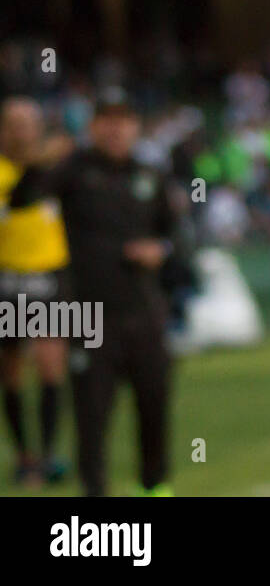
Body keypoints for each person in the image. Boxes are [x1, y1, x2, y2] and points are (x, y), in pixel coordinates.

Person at [33, 88, 193, 496]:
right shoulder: (72, 170)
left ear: (135, 127)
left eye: (123, 120)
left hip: (144, 310)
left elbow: (177, 236)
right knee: (91, 415)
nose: (115, 128)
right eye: (107, 119)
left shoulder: (149, 176)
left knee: (154, 406)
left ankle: (155, 487)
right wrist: (42, 158)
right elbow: (24, 199)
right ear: (93, 126)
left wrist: (162, 250)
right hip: (87, 313)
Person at [0, 97, 72, 487]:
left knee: (50, 363)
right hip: (7, 280)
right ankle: (24, 455)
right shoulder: (8, 171)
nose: (21, 130)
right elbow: (20, 196)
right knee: (11, 372)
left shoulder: (57, 170)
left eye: (28, 122)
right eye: (13, 123)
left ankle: (46, 455)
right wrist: (42, 160)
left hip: (49, 278)